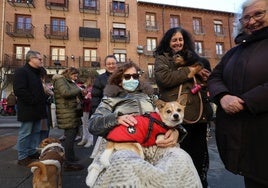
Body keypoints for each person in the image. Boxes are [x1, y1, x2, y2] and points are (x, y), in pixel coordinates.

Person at [87, 61, 202, 187]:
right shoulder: (110, 98)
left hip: (154, 143)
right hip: (123, 143)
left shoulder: (150, 97)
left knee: (181, 158)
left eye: (135, 76)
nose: (132, 79)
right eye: (127, 76)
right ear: (119, 80)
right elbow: (93, 124)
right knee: (126, 162)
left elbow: (167, 115)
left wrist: (176, 131)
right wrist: (116, 118)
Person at [208, 0, 268, 187]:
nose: (251, 22)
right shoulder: (234, 52)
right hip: (246, 146)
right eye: (246, 18)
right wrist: (223, 96)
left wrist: (244, 101)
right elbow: (214, 77)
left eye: (258, 14)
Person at [154, 27, 212, 187]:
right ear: (168, 42)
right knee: (177, 156)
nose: (178, 43)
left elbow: (208, 82)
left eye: (180, 39)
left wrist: (205, 78)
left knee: (198, 157)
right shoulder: (162, 58)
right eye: (174, 40)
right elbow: (164, 79)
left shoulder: (198, 59)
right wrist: (191, 70)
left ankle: (199, 183)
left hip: (199, 117)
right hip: (176, 118)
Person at [13, 50, 47, 166]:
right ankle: (22, 157)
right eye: (39, 59)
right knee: (25, 132)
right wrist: (33, 100)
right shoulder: (21, 72)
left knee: (36, 132)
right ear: (30, 59)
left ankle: (32, 152)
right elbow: (19, 90)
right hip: (28, 108)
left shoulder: (36, 73)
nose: (41, 61)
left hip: (37, 109)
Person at [52, 67, 85, 171]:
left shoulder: (68, 81)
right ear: (69, 73)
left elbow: (71, 92)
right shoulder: (60, 80)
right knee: (70, 137)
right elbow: (65, 93)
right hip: (67, 112)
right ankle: (68, 163)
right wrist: (79, 89)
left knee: (72, 135)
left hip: (72, 112)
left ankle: (71, 157)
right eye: (74, 75)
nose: (76, 77)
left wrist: (81, 93)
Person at [77, 77, 94, 148]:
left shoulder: (92, 89)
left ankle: (90, 140)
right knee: (84, 124)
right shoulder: (87, 88)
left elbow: (89, 99)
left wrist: (84, 96)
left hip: (88, 108)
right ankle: (84, 138)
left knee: (88, 124)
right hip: (84, 107)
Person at [40, 67, 54, 141]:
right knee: (44, 128)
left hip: (40, 107)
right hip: (43, 107)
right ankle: (42, 146)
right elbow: (50, 93)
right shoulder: (41, 84)